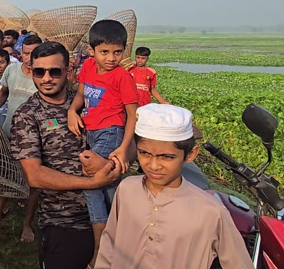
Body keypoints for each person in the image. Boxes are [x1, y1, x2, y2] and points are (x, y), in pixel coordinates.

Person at [95, 104, 253, 269]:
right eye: (145, 153)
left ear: (190, 154)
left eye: (166, 157)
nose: (154, 165)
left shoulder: (211, 211)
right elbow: (109, 244)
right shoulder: (127, 189)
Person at [11, 41, 122, 269]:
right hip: (63, 222)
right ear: (31, 71)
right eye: (40, 72)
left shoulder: (88, 103)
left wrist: (117, 160)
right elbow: (35, 175)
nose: (47, 78)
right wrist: (92, 182)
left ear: (68, 70)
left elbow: (122, 134)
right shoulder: (27, 114)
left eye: (55, 71)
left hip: (112, 217)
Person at [67, 20, 138, 266]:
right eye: (104, 52)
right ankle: (125, 238)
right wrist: (71, 112)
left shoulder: (122, 78)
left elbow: (132, 115)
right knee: (108, 188)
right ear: (91, 50)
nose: (111, 58)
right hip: (93, 133)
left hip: (112, 133)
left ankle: (100, 251)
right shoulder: (87, 67)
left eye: (117, 52)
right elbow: (80, 95)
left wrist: (124, 148)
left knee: (90, 179)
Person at [0, 34, 43, 242]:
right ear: (20, 53)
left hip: (33, 139)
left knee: (33, 183)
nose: (29, 58)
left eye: (34, 54)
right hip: (8, 133)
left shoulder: (44, 76)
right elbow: (4, 92)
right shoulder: (12, 70)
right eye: (25, 53)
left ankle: (26, 226)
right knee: (3, 178)